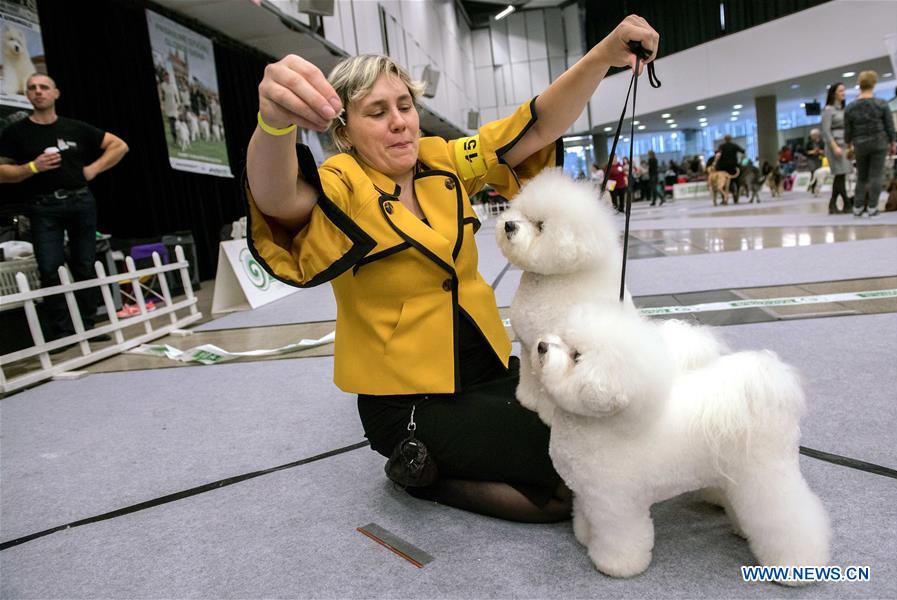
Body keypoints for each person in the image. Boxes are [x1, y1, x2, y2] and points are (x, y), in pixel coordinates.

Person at [246, 17, 659, 522]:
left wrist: (601, 57)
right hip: (409, 402)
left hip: (486, 370)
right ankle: (422, 475)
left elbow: (532, 128)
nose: (399, 121)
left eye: (405, 106)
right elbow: (278, 198)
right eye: (376, 112)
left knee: (597, 424)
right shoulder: (342, 181)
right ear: (343, 132)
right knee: (570, 478)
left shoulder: (440, 160)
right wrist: (274, 122)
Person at [0, 73, 129, 344]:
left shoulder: (74, 128)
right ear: (27, 95)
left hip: (80, 201)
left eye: (44, 87)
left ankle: (87, 324)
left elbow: (119, 145)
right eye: (32, 88)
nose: (38, 92)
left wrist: (93, 169)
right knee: (50, 267)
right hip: (42, 205)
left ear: (55, 93)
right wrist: (32, 167)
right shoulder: (16, 133)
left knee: (84, 264)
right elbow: (2, 172)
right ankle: (62, 332)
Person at [845, 70, 896, 217]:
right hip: (879, 142)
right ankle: (872, 207)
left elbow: (848, 130)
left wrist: (849, 145)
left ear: (859, 84)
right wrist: (892, 142)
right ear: (874, 84)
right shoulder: (881, 104)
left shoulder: (850, 107)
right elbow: (889, 125)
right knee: (876, 175)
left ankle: (858, 206)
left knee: (862, 176)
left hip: (860, 144)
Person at [821, 82, 852, 214]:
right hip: (834, 146)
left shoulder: (843, 110)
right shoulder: (828, 110)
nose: (843, 93)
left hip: (844, 145)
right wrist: (834, 147)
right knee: (839, 174)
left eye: (844, 91)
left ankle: (834, 204)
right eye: (840, 91)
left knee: (841, 175)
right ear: (834, 94)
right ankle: (846, 203)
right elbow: (826, 131)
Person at [714, 134, 744, 201]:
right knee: (737, 178)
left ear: (724, 139)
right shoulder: (734, 146)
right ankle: (737, 191)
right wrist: (741, 160)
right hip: (733, 166)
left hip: (723, 167)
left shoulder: (721, 146)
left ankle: (723, 197)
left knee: (722, 181)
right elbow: (743, 151)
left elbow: (717, 153)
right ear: (731, 139)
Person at [804, 129, 825, 194]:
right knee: (813, 172)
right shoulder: (809, 143)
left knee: (819, 174)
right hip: (811, 159)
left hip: (819, 158)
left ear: (817, 135)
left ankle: (817, 188)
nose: (813, 136)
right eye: (812, 135)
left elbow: (825, 150)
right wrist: (812, 152)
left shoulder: (821, 142)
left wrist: (820, 151)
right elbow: (805, 152)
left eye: (814, 135)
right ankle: (812, 187)